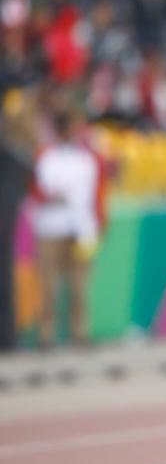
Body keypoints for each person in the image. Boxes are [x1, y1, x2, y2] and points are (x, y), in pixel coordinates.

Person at [30, 108, 105, 348]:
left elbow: (96, 195)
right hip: (50, 228)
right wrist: (49, 198)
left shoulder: (87, 159)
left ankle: (79, 332)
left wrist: (97, 224)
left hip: (80, 228)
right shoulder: (45, 156)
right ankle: (46, 335)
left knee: (79, 286)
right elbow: (34, 189)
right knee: (49, 286)